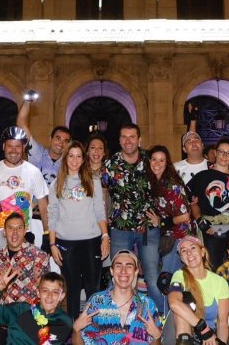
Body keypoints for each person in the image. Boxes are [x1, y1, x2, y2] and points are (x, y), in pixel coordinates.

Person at [0, 126, 50, 278]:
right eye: (10, 146)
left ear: (23, 147)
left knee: (24, 281)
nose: (13, 150)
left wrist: (47, 234)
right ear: (3, 146)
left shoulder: (34, 172)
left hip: (23, 234)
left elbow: (44, 205)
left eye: (18, 146)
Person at [48, 141, 109, 318]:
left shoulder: (93, 180)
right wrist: (52, 244)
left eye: (78, 156)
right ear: (65, 158)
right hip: (65, 242)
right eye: (71, 156)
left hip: (91, 240)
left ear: (84, 159)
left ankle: (94, 328)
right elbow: (53, 215)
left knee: (93, 287)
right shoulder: (56, 184)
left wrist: (105, 236)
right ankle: (74, 329)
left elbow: (99, 210)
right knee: (72, 287)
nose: (75, 160)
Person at [103, 123, 162, 309]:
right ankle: (113, 319)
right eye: (124, 137)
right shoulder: (110, 164)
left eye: (132, 137)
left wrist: (161, 217)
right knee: (118, 276)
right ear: (119, 140)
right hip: (120, 229)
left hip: (147, 228)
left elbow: (166, 186)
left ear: (139, 139)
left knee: (152, 278)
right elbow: (103, 195)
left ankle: (160, 318)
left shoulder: (150, 160)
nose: (128, 141)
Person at [189, 138, 229, 267]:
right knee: (213, 267)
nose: (225, 156)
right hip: (211, 228)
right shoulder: (202, 176)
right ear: (216, 153)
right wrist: (200, 221)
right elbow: (193, 202)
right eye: (221, 152)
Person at [74, 250, 163, 344]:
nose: (123, 271)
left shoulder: (147, 304)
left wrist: (157, 337)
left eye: (129, 266)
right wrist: (76, 330)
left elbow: (156, 340)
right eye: (118, 266)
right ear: (111, 271)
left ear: (136, 271)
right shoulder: (96, 301)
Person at [0, 268, 72, 345]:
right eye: (45, 290)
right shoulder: (20, 310)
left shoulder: (64, 321)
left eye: (55, 292)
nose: (49, 295)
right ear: (38, 293)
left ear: (62, 296)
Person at [167, 236, 229, 345]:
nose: (189, 253)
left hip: (210, 336)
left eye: (192, 248)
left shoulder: (219, 282)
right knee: (182, 308)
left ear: (202, 252)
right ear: (181, 258)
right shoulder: (179, 276)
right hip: (187, 333)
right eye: (184, 251)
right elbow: (174, 303)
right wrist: (203, 329)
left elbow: (222, 323)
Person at [145, 145, 193, 275]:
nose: (157, 164)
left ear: (167, 163)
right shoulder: (155, 182)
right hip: (168, 236)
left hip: (179, 237)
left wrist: (161, 222)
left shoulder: (171, 184)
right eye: (154, 159)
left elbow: (185, 216)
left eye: (162, 160)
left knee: (168, 279)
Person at [0, 213, 50, 306]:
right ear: (4, 232)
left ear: (25, 231)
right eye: (10, 228)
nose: (15, 232)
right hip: (2, 314)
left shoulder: (38, 256)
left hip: (28, 315)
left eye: (19, 228)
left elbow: (45, 290)